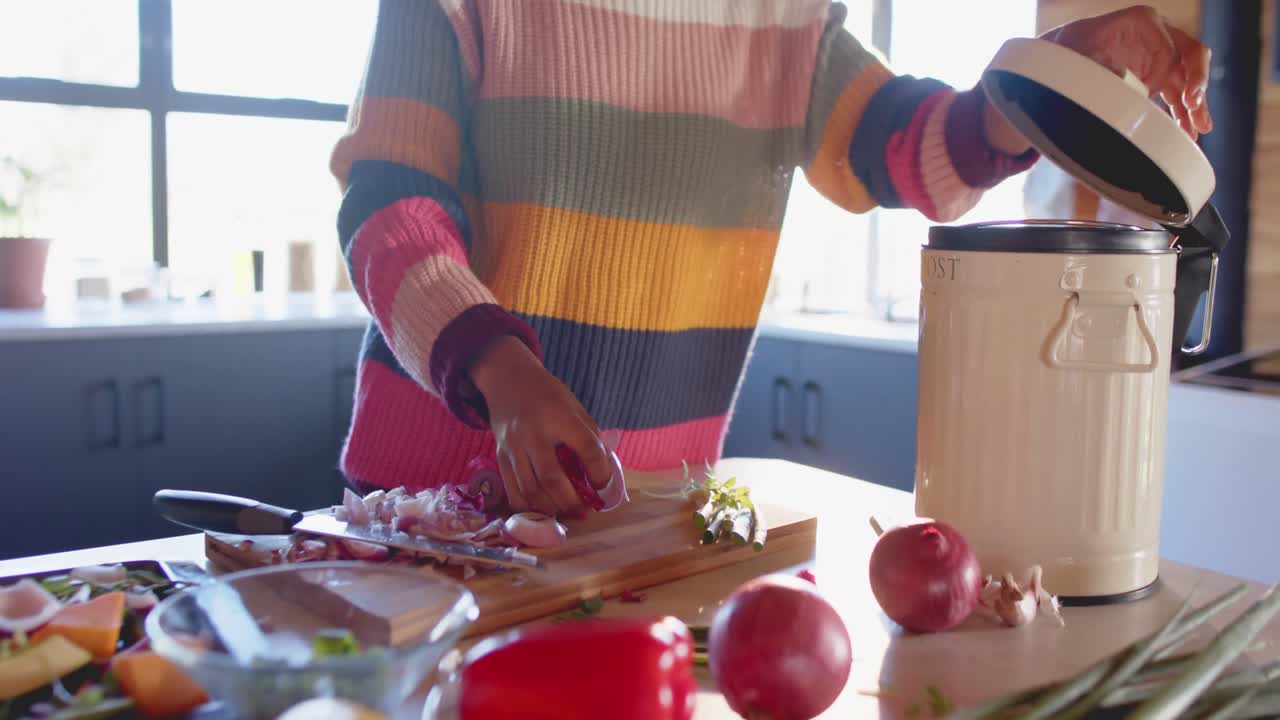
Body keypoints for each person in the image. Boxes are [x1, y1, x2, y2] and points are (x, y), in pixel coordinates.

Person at [329, 1, 1213, 517]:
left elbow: (919, 150)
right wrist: (501, 370)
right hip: (433, 503)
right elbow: (388, 207)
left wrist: (1048, 73)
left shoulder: (786, 19)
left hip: (644, 515)